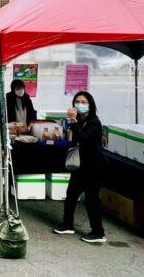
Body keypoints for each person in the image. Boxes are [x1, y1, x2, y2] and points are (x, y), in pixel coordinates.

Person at [53, 91, 107, 243]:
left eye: (84, 102)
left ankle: (98, 233)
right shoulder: (81, 121)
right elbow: (76, 138)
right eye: (77, 101)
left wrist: (73, 120)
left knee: (92, 200)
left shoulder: (94, 122)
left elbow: (82, 139)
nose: (80, 104)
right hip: (82, 166)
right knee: (71, 195)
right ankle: (67, 225)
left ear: (90, 105)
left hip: (94, 167)